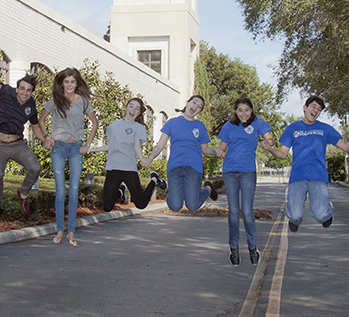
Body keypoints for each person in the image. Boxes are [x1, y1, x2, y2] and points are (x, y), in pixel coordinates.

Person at [0, 39, 50, 223]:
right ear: (17, 88)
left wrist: (45, 137)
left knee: (35, 168)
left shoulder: (31, 104)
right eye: (22, 88)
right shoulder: (6, 93)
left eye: (28, 90)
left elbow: (35, 125)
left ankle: (23, 193)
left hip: (18, 144)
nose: (24, 92)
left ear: (32, 92)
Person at [261, 95, 349, 233]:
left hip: (318, 176)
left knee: (321, 214)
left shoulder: (325, 129)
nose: (316, 110)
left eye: (319, 109)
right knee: (294, 216)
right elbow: (283, 154)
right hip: (298, 176)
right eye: (313, 106)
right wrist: (270, 149)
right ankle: (294, 219)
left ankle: (326, 209)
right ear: (305, 108)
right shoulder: (292, 129)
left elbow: (345, 147)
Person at [38, 68, 98, 247]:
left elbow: (95, 123)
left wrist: (87, 144)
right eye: (66, 82)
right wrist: (47, 137)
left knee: (73, 191)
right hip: (59, 147)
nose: (70, 85)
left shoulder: (83, 101)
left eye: (72, 82)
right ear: (61, 84)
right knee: (60, 191)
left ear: (77, 83)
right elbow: (40, 121)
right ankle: (59, 230)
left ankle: (71, 232)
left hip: (76, 149)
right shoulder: (55, 101)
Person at [216, 97, 274, 266]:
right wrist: (218, 152)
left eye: (247, 110)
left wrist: (266, 143)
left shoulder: (258, 123)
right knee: (233, 212)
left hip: (248, 172)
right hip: (230, 171)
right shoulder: (228, 126)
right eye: (240, 110)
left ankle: (252, 247)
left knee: (247, 212)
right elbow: (221, 147)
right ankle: (233, 249)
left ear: (251, 110)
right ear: (235, 111)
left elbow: (270, 140)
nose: (243, 114)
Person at [89, 98, 167, 212]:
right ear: (126, 107)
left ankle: (154, 180)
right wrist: (90, 150)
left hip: (128, 168)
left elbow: (137, 146)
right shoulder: (114, 125)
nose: (133, 110)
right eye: (131, 106)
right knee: (107, 207)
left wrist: (142, 159)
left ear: (139, 113)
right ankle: (120, 191)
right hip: (113, 167)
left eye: (137, 109)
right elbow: (110, 146)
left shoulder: (139, 128)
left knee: (140, 204)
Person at [147, 95, 218, 213]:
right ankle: (174, 192)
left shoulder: (199, 126)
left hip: (194, 169)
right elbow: (160, 145)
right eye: (194, 102)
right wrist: (150, 158)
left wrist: (215, 151)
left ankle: (208, 189)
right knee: (175, 206)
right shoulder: (172, 122)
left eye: (199, 106)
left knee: (193, 206)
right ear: (188, 102)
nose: (195, 107)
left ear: (199, 111)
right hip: (175, 167)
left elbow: (205, 149)